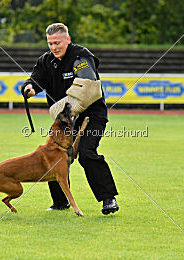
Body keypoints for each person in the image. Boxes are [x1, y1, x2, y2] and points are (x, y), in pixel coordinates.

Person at [21, 23, 119, 215]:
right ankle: (60, 202)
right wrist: (29, 88)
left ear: (68, 39)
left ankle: (109, 199)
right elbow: (35, 79)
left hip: (91, 116)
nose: (53, 47)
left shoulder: (80, 56)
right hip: (65, 121)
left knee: (86, 153)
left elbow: (88, 84)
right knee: (54, 155)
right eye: (50, 43)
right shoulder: (46, 61)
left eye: (57, 42)